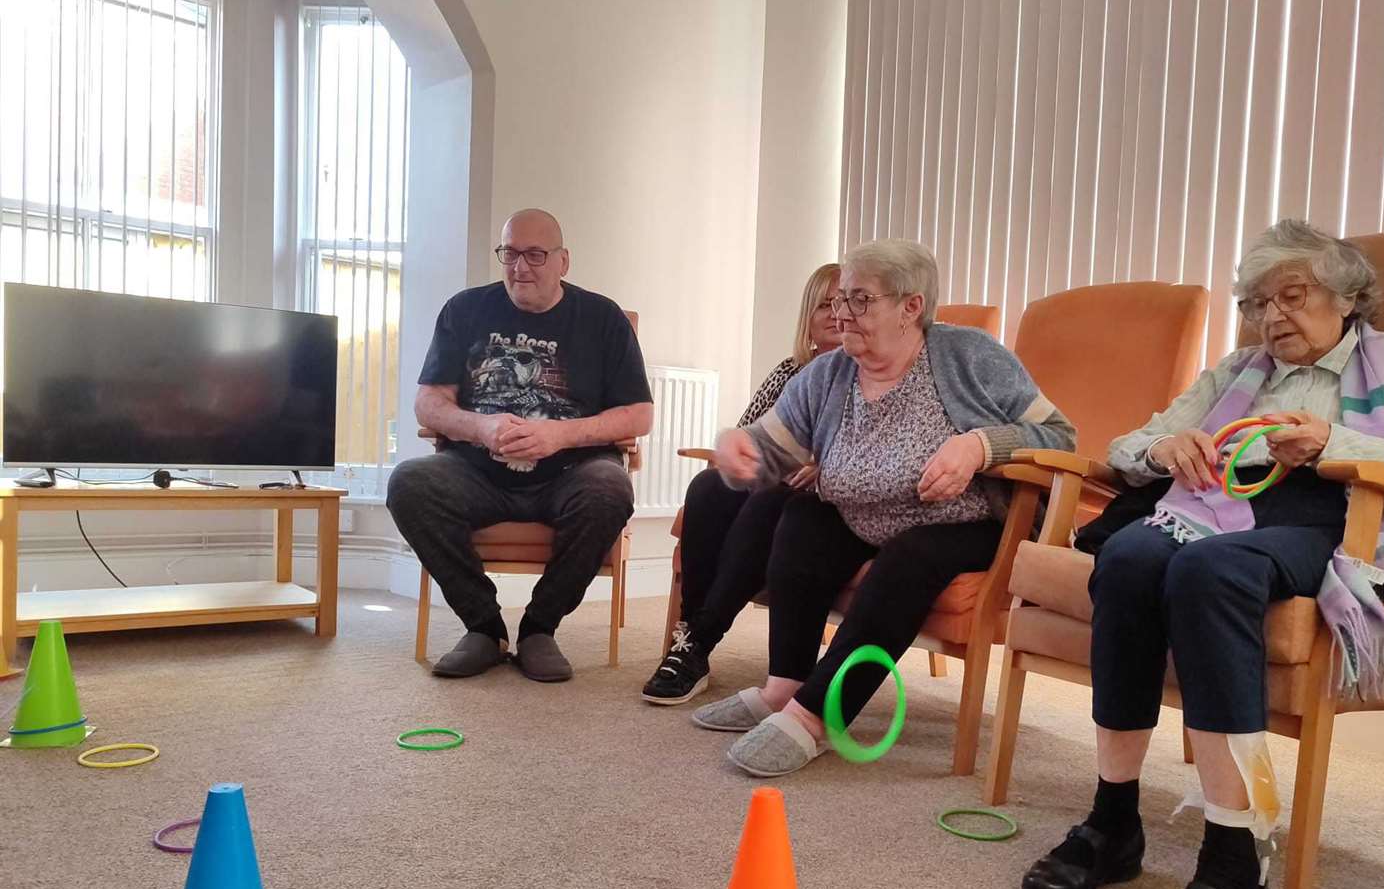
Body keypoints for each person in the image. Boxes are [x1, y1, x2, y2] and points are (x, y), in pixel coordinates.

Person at [1022, 219, 1384, 889]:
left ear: (1347, 298)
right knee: (1129, 555)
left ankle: (1234, 867)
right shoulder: (1236, 370)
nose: (1270, 315)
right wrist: (1162, 451)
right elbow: (1136, 441)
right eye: (1255, 301)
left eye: (1292, 295)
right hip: (1210, 506)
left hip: (1330, 517)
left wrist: (1335, 445)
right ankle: (1112, 821)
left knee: (1210, 572)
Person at [694, 238, 1075, 776]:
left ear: (911, 306)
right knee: (802, 517)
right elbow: (775, 445)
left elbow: (1061, 435)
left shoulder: (970, 355)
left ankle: (817, 718)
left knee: (910, 556)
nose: (841, 314)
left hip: (968, 523)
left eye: (859, 300)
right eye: (839, 299)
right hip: (862, 515)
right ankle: (785, 686)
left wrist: (978, 446)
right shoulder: (829, 373)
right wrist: (744, 448)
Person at [387, 209, 653, 683]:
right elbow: (428, 404)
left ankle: (538, 629)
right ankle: (484, 628)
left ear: (563, 261)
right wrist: (482, 428)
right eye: (509, 253)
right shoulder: (464, 310)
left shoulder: (603, 318)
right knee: (409, 482)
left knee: (609, 490)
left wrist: (559, 434)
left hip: (573, 472)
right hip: (476, 471)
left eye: (535, 254)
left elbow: (638, 415)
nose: (519, 267)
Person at [641, 263, 842, 705]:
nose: (834, 313)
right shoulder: (791, 370)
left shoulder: (861, 375)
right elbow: (749, 436)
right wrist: (747, 459)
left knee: (767, 502)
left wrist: (821, 466)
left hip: (820, 498)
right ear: (808, 316)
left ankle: (698, 641)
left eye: (842, 302)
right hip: (771, 481)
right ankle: (690, 639)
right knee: (708, 486)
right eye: (823, 304)